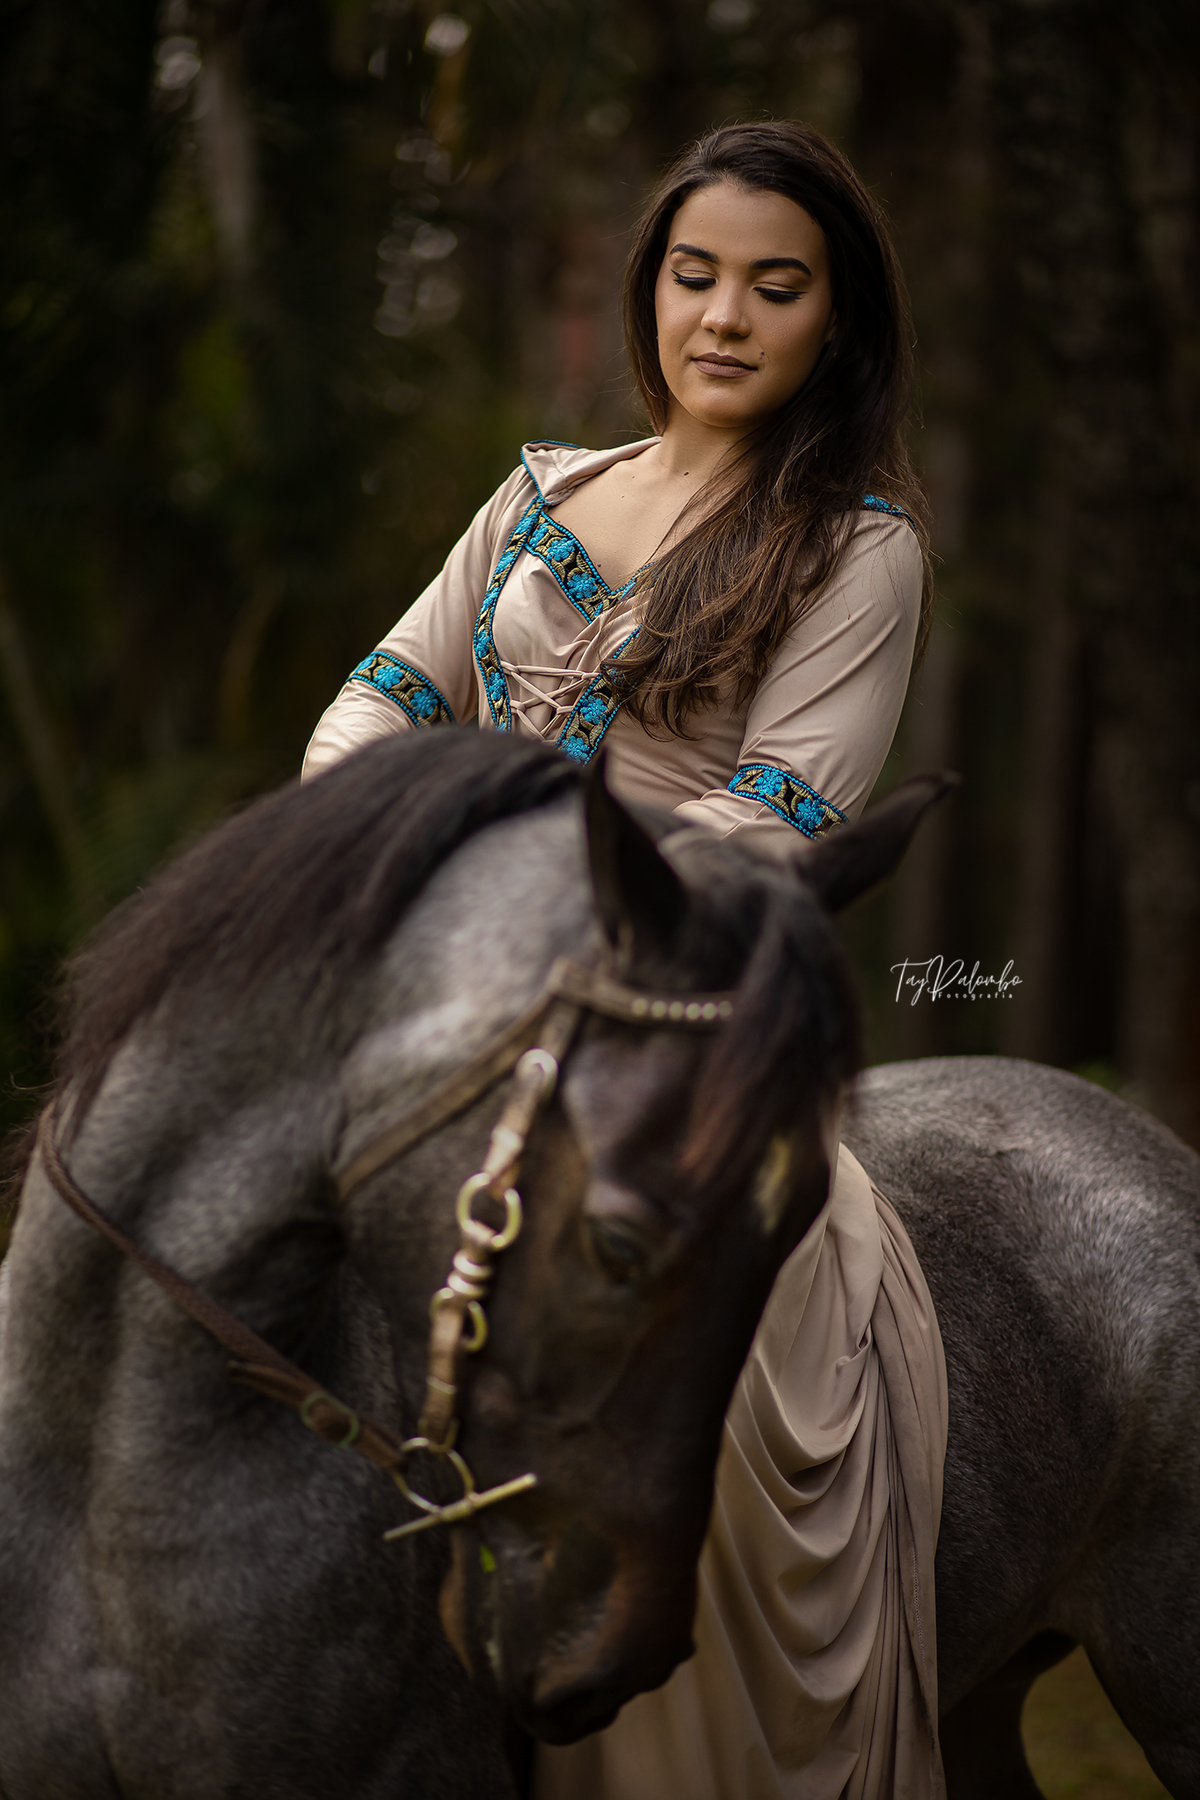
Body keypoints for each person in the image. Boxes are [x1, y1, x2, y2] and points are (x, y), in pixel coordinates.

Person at [305, 122, 948, 1800]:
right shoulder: (538, 496)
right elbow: (380, 700)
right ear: (650, 286)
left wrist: (510, 871)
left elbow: (765, 831)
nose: (723, 316)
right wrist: (392, 843)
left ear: (837, 319)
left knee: (676, 1333)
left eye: (775, 285)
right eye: (694, 274)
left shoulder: (858, 546)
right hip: (457, 960)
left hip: (672, 1012)